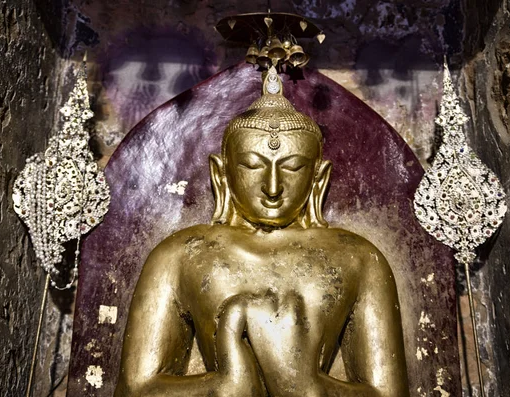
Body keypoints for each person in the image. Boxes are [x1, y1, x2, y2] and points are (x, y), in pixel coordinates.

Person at [114, 67, 408, 397]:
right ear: (221, 173)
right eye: (252, 165)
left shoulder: (358, 258)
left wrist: (307, 388)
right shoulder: (180, 254)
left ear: (318, 177)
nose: (272, 186)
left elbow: (388, 393)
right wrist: (222, 388)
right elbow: (135, 388)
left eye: (293, 167)